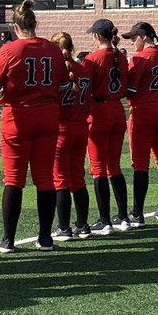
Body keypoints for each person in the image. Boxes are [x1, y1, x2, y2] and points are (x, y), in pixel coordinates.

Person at [0, 0, 67, 253]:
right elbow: (63, 85)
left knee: (14, 178)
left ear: (16, 27)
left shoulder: (9, 50)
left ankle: (8, 239)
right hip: (48, 115)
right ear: (35, 23)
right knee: (45, 178)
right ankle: (45, 238)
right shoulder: (53, 49)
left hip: (18, 117)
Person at [122, 22, 158, 223]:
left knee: (140, 163)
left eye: (134, 38)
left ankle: (137, 214)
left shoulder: (141, 58)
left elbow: (130, 90)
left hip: (144, 111)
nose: (132, 43)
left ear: (144, 37)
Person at [83, 18, 130, 232]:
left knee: (98, 168)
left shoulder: (93, 58)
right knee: (114, 166)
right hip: (117, 110)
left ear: (98, 36)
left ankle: (105, 220)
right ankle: (123, 217)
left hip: (99, 111)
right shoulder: (121, 56)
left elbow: (86, 89)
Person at [51, 31, 93, 239]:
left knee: (60, 180)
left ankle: (64, 228)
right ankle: (83, 224)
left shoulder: (56, 72)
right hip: (81, 127)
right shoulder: (83, 70)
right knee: (78, 178)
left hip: (62, 129)